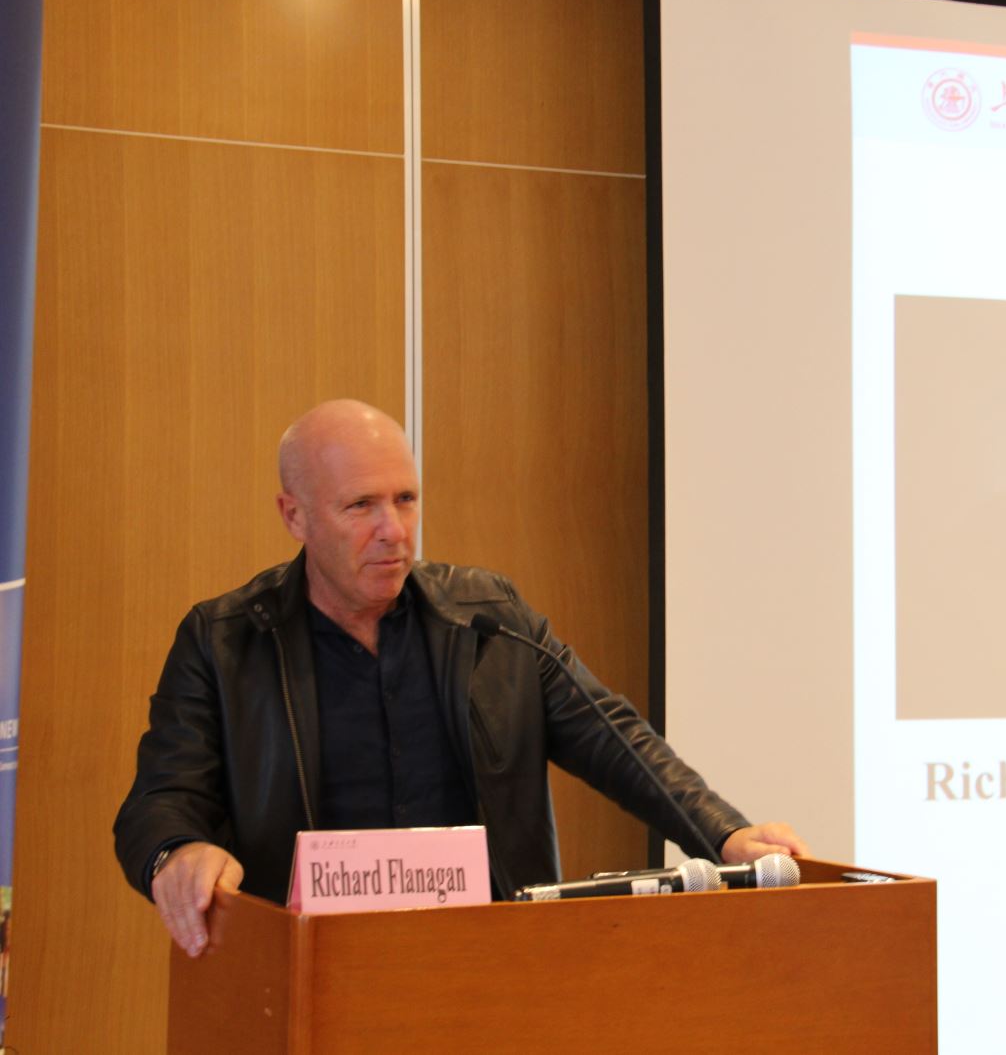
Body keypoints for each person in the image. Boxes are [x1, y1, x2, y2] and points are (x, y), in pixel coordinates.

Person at [115, 400, 807, 957]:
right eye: (361, 506)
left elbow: (614, 739)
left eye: (406, 499)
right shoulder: (225, 639)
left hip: (488, 961)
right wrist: (177, 852)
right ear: (293, 515)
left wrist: (724, 833)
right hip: (309, 967)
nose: (394, 530)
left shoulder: (489, 620)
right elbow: (160, 800)